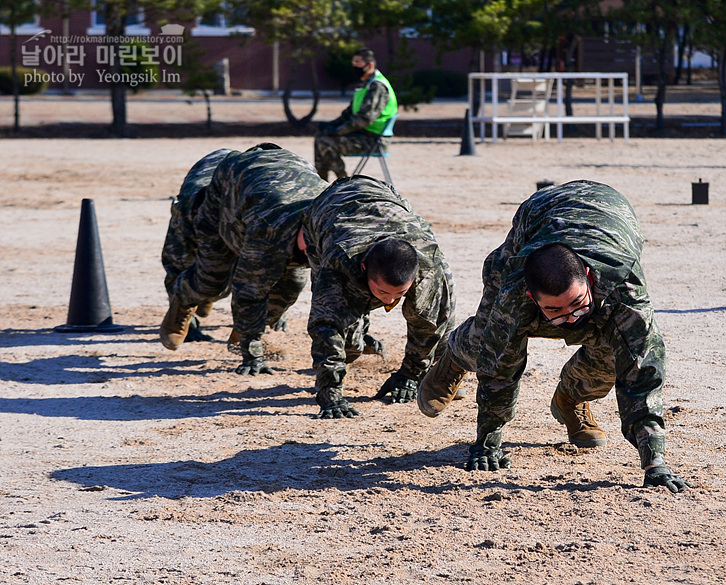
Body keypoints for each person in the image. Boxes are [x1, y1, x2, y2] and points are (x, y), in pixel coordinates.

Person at [417, 180, 691, 493]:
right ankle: (453, 357)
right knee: (490, 336)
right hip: (536, 218)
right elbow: (499, 368)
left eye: (577, 304)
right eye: (556, 311)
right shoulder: (515, 290)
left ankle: (571, 398)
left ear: (588, 278)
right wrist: (487, 442)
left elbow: (642, 373)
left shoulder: (623, 289)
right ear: (532, 298)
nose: (570, 318)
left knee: (615, 354)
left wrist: (654, 463)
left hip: (608, 212)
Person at [160, 145, 386, 374]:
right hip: (229, 193)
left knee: (292, 286)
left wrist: (355, 335)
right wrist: (252, 355)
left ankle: (241, 334)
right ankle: (183, 302)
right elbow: (248, 292)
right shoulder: (269, 229)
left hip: (284, 189)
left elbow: (340, 291)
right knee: (213, 280)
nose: (314, 258)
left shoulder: (330, 233)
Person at [295, 175, 455, 419]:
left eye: (399, 293)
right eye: (382, 292)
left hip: (384, 197)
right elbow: (325, 327)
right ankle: (356, 338)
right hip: (328, 208)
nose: (390, 301)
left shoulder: (429, 265)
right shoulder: (339, 262)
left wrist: (410, 375)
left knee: (433, 314)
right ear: (363, 270)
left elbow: (430, 325)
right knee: (345, 332)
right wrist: (330, 395)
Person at [161, 148, 234, 344]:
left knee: (236, 265)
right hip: (202, 183)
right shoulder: (186, 212)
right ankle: (194, 309)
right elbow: (175, 268)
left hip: (235, 191)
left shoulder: (243, 215)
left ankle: (205, 292)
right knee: (184, 262)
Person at [314, 48, 398, 181]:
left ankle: (342, 182)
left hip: (374, 139)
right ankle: (321, 181)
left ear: (369, 65)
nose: (354, 66)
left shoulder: (377, 86)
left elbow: (364, 119)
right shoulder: (365, 85)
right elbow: (348, 114)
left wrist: (338, 131)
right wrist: (330, 125)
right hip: (362, 134)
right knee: (320, 136)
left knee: (326, 142)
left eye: (357, 63)